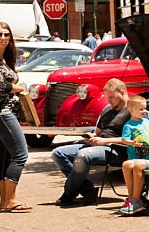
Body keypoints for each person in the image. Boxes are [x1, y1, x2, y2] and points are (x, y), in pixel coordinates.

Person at [50, 78, 131, 206]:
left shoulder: (132, 111)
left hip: (117, 150)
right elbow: (97, 132)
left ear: (122, 92)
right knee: (57, 153)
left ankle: (69, 194)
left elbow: (132, 140)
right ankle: (88, 190)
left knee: (83, 155)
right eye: (107, 98)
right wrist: (91, 137)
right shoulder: (107, 109)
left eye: (111, 97)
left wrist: (104, 141)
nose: (108, 101)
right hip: (97, 146)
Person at [0, 22, 31, 212]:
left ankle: (4, 201)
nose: (2, 37)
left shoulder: (3, 60)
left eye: (6, 34)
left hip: (5, 113)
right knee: (21, 155)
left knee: (4, 156)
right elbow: (2, 85)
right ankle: (11, 199)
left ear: (10, 38)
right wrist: (19, 88)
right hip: (3, 113)